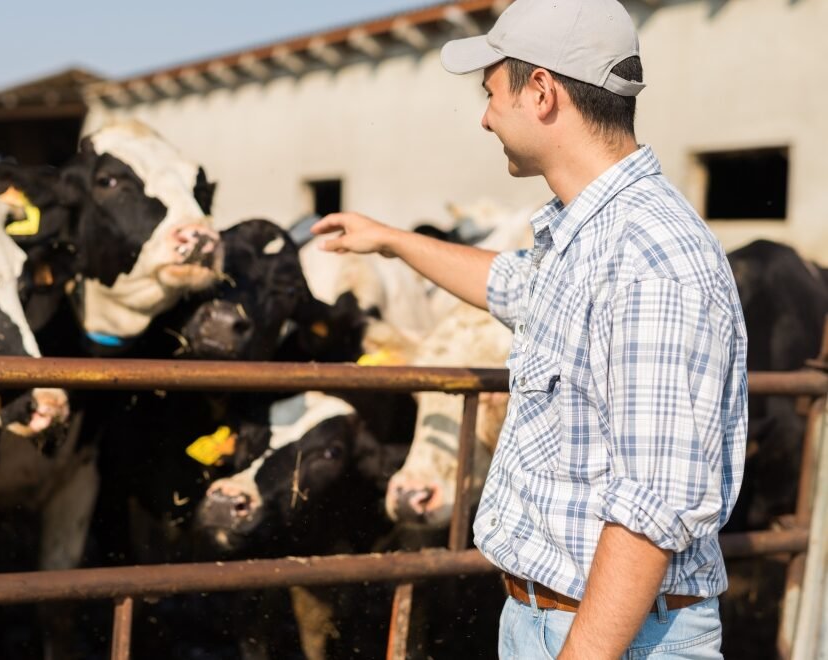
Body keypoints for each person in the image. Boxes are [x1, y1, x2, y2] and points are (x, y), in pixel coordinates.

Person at [312, 0, 748, 657]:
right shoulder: (589, 238)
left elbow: (652, 507)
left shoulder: (650, 258)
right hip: (550, 618)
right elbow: (508, 283)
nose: (485, 117)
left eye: (491, 95)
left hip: (615, 635)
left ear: (541, 91)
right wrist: (391, 240)